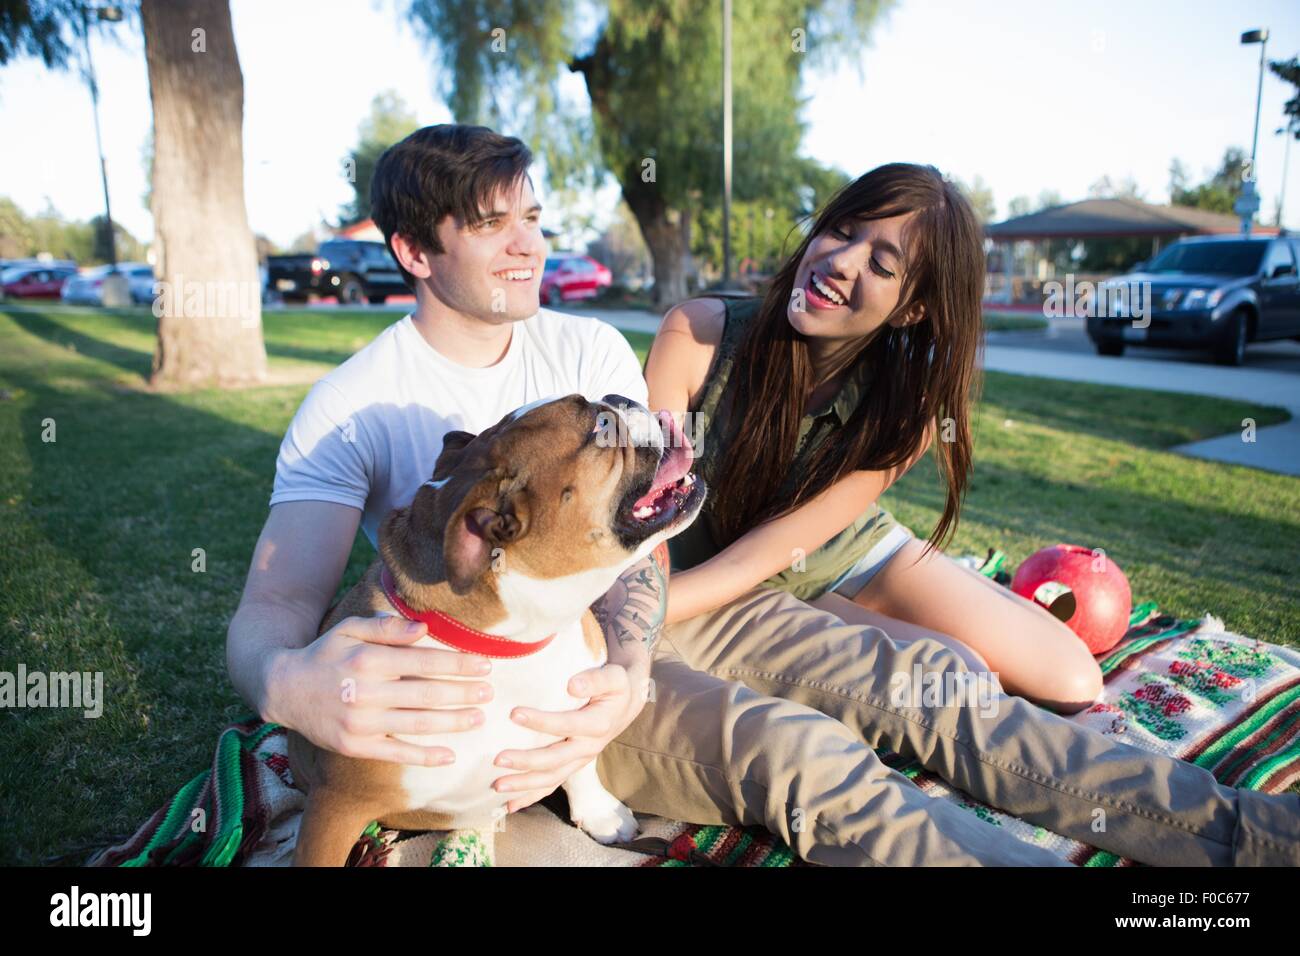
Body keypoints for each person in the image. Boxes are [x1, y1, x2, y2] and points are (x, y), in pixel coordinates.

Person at [584, 163, 1300, 866]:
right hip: (690, 581)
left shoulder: (903, 404)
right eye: (840, 229)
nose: (838, 260)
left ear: (914, 307)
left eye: (882, 261)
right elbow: (646, 520)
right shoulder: (701, 335)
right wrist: (630, 633)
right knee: (914, 684)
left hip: (809, 557)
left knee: (1046, 680)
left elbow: (764, 556)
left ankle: (1261, 835)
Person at [226, 124, 665, 816]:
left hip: (590, 663)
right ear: (412, 251)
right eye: (493, 225)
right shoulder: (349, 404)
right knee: (779, 750)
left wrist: (628, 675)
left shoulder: (590, 350)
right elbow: (278, 602)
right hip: (464, 690)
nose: (530, 246)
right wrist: (286, 683)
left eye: (531, 219)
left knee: (775, 730)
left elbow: (638, 535)